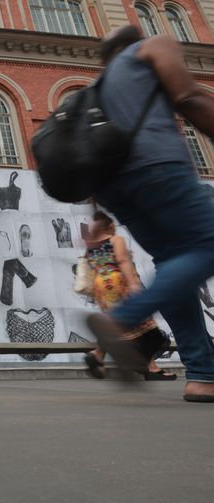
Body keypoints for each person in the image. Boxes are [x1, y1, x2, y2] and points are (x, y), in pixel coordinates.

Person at [85, 25, 214, 402]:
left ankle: (203, 376)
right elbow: (189, 98)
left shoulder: (103, 83)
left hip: (117, 189)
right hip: (158, 167)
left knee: (176, 268)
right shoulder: (153, 46)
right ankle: (119, 320)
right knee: (209, 243)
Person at [82, 211, 176, 381]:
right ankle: (150, 367)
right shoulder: (116, 240)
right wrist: (133, 284)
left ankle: (97, 355)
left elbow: (91, 267)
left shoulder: (91, 245)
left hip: (101, 285)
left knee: (117, 324)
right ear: (110, 226)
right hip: (119, 282)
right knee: (144, 323)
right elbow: (123, 261)